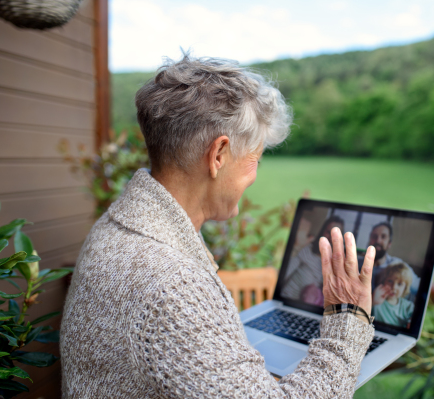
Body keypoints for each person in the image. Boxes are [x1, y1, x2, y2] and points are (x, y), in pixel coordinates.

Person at [60, 55, 377, 398]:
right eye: (255, 159)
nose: (256, 175)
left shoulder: (118, 225)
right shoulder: (171, 287)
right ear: (219, 156)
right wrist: (348, 320)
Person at [281, 215, 344, 305]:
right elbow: (285, 273)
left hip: (310, 309)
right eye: (328, 232)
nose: (331, 237)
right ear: (322, 232)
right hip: (288, 300)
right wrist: (296, 248)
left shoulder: (336, 264)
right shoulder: (307, 250)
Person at [359, 222, 404, 290]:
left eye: (383, 237)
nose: (378, 240)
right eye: (374, 236)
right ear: (370, 240)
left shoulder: (398, 265)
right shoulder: (357, 263)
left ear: (389, 243)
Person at [372, 262, 415, 328]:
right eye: (390, 281)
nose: (394, 287)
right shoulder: (375, 299)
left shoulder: (408, 307)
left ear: (405, 288)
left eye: (399, 284)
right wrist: (372, 301)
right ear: (383, 281)